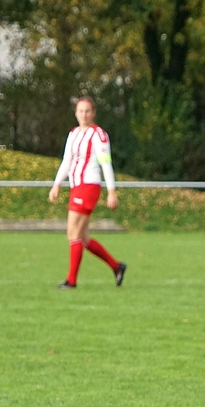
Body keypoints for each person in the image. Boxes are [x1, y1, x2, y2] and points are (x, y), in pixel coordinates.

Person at [48, 97, 126, 289]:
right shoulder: (73, 134)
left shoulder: (98, 135)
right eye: (80, 111)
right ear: (76, 113)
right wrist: (57, 184)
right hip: (76, 186)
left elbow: (105, 163)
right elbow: (67, 161)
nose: (84, 115)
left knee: (73, 232)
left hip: (89, 186)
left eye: (87, 111)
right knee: (82, 238)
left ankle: (71, 281)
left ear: (93, 113)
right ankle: (117, 267)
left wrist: (111, 191)